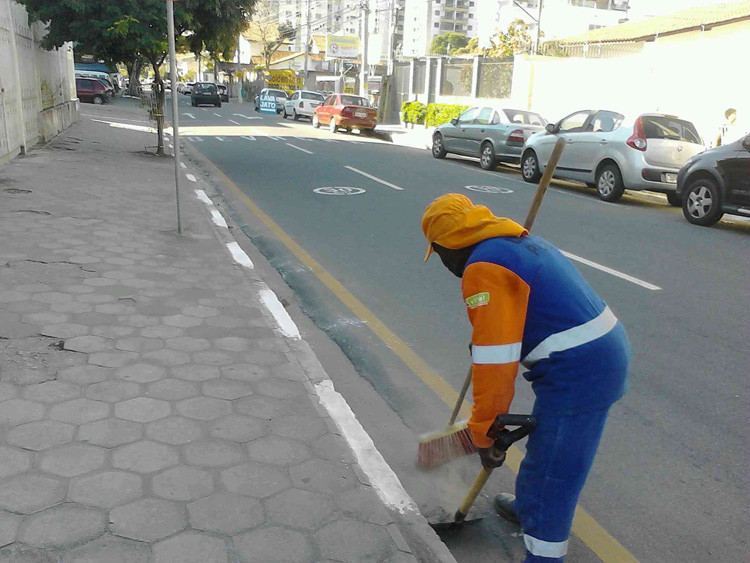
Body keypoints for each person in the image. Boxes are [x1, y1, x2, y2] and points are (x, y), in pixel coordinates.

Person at [422, 194, 631, 562]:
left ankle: (544, 554)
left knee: (556, 472)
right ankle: (528, 507)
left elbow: (496, 362)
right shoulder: (511, 241)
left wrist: (485, 431)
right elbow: (505, 332)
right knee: (545, 449)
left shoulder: (481, 269)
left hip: (582, 370)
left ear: (446, 246)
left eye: (437, 255)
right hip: (591, 355)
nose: (443, 264)